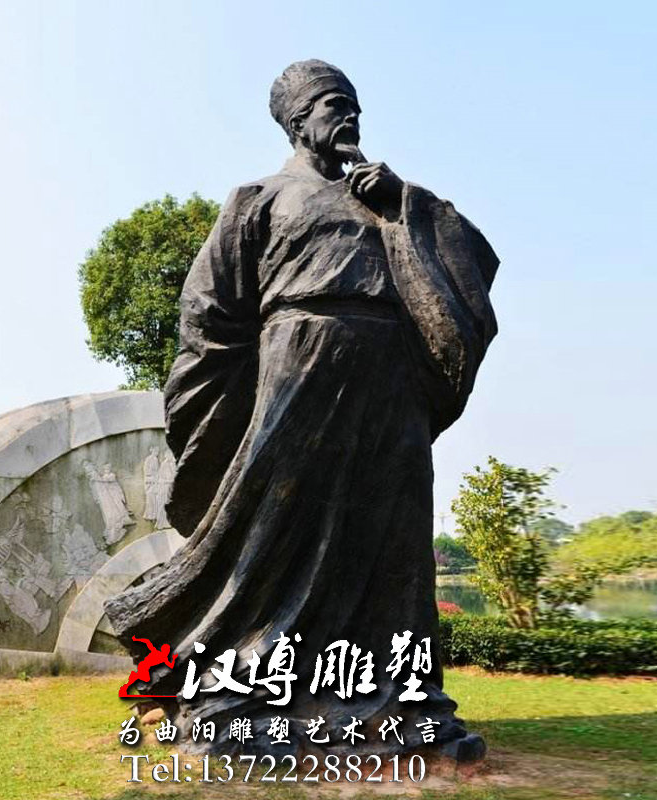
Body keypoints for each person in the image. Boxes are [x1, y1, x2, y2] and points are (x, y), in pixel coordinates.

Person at [106, 59, 499, 758]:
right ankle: (237, 684)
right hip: (299, 374)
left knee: (393, 536)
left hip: (391, 384)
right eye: (333, 105)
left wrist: (403, 204)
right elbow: (209, 308)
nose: (349, 117)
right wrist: (223, 393)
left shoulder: (387, 196)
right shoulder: (259, 199)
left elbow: (470, 260)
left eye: (354, 106)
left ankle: (406, 701)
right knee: (275, 532)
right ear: (297, 120)